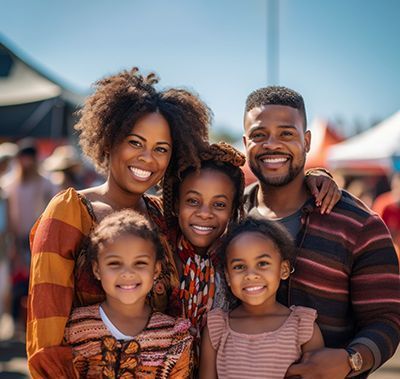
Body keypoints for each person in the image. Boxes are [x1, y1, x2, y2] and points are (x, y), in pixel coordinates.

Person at [27, 67, 211, 378]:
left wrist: (314, 181)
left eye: (161, 149)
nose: (147, 158)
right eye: (135, 142)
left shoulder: (164, 217)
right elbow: (46, 333)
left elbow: (228, 210)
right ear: (110, 139)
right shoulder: (69, 212)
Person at [242, 86, 400, 378]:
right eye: (259, 135)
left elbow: (387, 320)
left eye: (287, 133)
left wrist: (349, 360)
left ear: (307, 140)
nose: (272, 144)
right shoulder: (230, 217)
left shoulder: (359, 225)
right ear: (245, 143)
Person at [64, 209, 193, 378]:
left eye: (139, 263)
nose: (127, 273)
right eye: (115, 263)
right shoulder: (78, 328)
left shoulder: (173, 336)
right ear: (97, 269)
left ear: (156, 270)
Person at [199, 217, 324, 379]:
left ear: (284, 269)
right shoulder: (217, 328)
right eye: (239, 267)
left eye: (263, 263)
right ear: (228, 277)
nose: (251, 275)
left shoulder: (303, 327)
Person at [3, 138, 58, 333]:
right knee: (14, 282)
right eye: (23, 159)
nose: (26, 163)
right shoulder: (10, 183)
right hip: (15, 239)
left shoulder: (47, 183)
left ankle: (36, 323)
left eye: (29, 159)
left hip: (40, 239)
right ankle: (15, 322)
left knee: (37, 282)